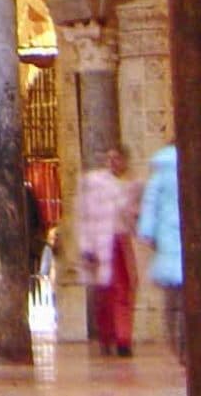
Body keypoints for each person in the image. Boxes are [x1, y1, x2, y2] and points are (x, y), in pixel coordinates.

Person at [74, 145, 141, 356]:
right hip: (101, 242)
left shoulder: (129, 185)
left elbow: (130, 215)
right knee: (104, 293)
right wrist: (86, 246)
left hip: (119, 241)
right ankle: (107, 335)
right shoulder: (95, 184)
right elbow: (85, 217)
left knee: (123, 289)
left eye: (117, 159)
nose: (113, 163)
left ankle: (123, 339)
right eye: (109, 159)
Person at [137, 141, 184, 363]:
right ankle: (186, 343)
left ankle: (176, 343)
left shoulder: (160, 172)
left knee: (172, 300)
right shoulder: (192, 167)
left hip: (167, 242)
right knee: (186, 300)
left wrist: (147, 232)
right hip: (188, 243)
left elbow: (150, 203)